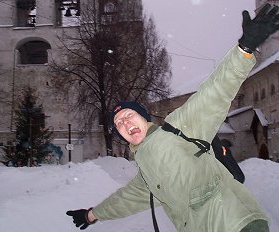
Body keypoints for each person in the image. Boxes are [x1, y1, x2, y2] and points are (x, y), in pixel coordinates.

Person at [66, 4, 279, 232]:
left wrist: (244, 49)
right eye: (118, 124)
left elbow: (214, 93)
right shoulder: (147, 172)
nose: (125, 123)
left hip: (235, 224)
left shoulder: (178, 128)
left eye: (129, 115)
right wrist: (91, 215)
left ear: (145, 118)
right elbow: (125, 199)